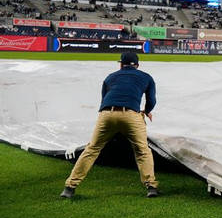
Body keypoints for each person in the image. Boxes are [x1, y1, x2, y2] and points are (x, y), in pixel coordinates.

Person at [60, 52, 158, 198]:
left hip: (106, 113)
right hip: (131, 114)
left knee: (92, 149)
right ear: (137, 65)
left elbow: (104, 100)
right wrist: (146, 112)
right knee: (142, 150)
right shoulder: (146, 77)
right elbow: (151, 100)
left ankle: (69, 188)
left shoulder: (110, 77)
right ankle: (151, 187)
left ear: (120, 64)